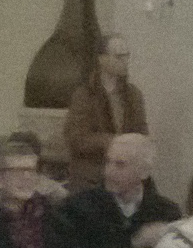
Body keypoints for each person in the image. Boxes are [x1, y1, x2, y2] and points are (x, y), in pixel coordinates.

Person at [45, 132, 178, 248]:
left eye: (120, 165)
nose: (108, 171)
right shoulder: (75, 208)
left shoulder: (167, 213)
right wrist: (133, 244)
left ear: (144, 171)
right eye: (108, 162)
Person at [60, 35, 149, 189]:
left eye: (127, 56)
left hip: (125, 176)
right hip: (91, 177)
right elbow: (76, 138)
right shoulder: (85, 94)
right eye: (119, 56)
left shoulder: (133, 94)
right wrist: (114, 142)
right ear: (102, 59)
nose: (125, 61)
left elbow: (141, 131)